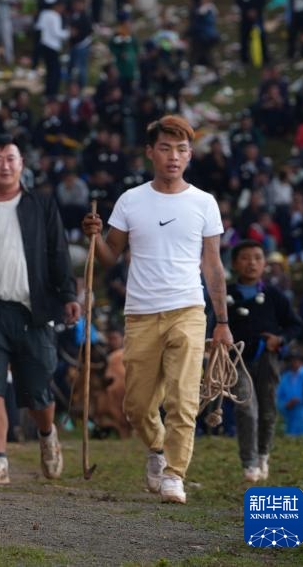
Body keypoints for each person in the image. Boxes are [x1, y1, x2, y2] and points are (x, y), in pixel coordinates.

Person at [81, 115, 233, 504]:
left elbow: (212, 264)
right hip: (141, 314)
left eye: (181, 150)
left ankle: (174, 474)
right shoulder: (131, 200)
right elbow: (111, 256)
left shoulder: (204, 203)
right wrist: (94, 238)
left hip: (188, 310)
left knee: (183, 399)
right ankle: (157, 447)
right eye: (165, 148)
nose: (173, 156)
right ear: (151, 152)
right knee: (136, 406)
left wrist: (222, 321)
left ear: (190, 155)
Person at [0, 134, 79, 484]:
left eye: (10, 158)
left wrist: (68, 294)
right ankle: (0, 461)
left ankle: (47, 435)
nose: (4, 165)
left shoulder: (41, 205)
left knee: (38, 390)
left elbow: (58, 251)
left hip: (34, 311)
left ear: (22, 164)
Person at [226, 241, 302, 482]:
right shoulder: (225, 294)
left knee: (268, 410)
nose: (252, 263)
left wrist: (280, 340)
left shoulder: (273, 294)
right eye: (246, 258)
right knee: (246, 408)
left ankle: (263, 455)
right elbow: (211, 323)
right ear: (235, 263)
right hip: (235, 359)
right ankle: (248, 463)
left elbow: (294, 324)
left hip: (268, 359)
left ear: (264, 264)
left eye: (257, 258)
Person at [236, 0, 268, 66]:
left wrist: (256, 11)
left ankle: (265, 57)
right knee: (244, 38)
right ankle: (245, 59)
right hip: (246, 17)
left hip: (258, 15)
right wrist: (247, 11)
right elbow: (239, 1)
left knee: (262, 35)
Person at [277, 351, 303, 436]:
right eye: (292, 360)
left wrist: (301, 400)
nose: (294, 363)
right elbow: (279, 397)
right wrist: (286, 405)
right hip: (290, 417)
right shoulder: (285, 377)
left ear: (301, 361)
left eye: (296, 360)